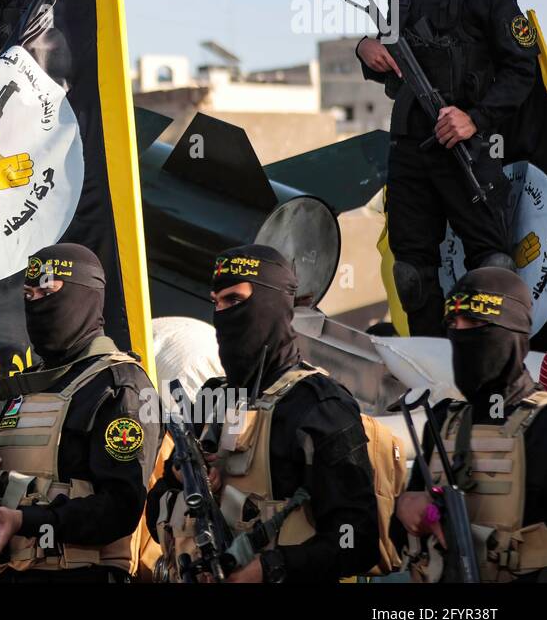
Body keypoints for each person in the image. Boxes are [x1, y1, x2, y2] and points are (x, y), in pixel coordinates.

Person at [357, 0, 539, 336]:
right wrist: (367, 51)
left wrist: (475, 118)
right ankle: (431, 372)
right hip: (410, 148)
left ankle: (495, 368)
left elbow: (523, 68)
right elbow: (396, 75)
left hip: (468, 148)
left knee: (491, 267)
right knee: (412, 273)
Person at [149, 245, 381, 582]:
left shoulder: (321, 406)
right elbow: (155, 517)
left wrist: (269, 568)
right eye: (216, 302)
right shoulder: (213, 396)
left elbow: (355, 541)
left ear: (270, 303)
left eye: (234, 301)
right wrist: (184, 484)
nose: (222, 315)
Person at [0, 244, 161, 583]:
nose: (36, 302)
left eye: (47, 290)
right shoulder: (33, 382)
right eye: (29, 293)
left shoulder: (120, 385)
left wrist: (26, 521)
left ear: (84, 295)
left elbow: (120, 507)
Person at [393, 268, 547, 582]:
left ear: (513, 332)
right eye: (453, 323)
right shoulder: (440, 420)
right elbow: (399, 539)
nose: (461, 333)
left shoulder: (543, 426)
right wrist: (406, 507)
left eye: (476, 322)